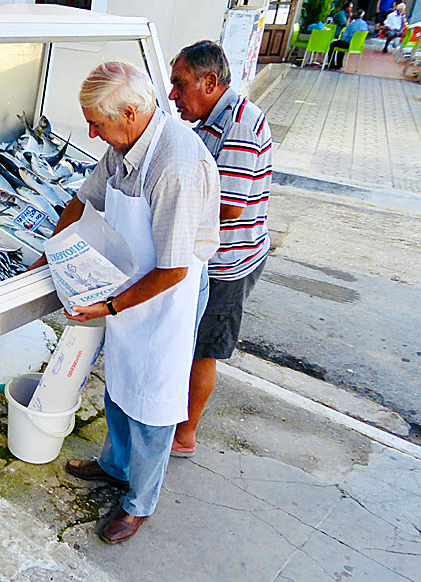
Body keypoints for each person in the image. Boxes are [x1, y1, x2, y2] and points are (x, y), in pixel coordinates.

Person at [30, 61, 220, 544]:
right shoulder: (123, 145)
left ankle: (139, 502)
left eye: (97, 123)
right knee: (119, 381)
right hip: (131, 279)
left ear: (131, 112)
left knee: (153, 402)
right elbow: (82, 200)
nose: (92, 133)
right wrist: (48, 256)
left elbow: (174, 267)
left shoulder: (173, 165)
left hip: (168, 294)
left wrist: (111, 307)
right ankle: (115, 464)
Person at [168, 41, 271, 458]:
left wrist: (167, 220)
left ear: (209, 82)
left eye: (180, 84)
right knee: (189, 342)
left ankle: (184, 436)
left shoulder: (240, 122)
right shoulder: (210, 120)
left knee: (202, 351)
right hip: (206, 259)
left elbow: (228, 204)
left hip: (228, 263)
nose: (173, 94)